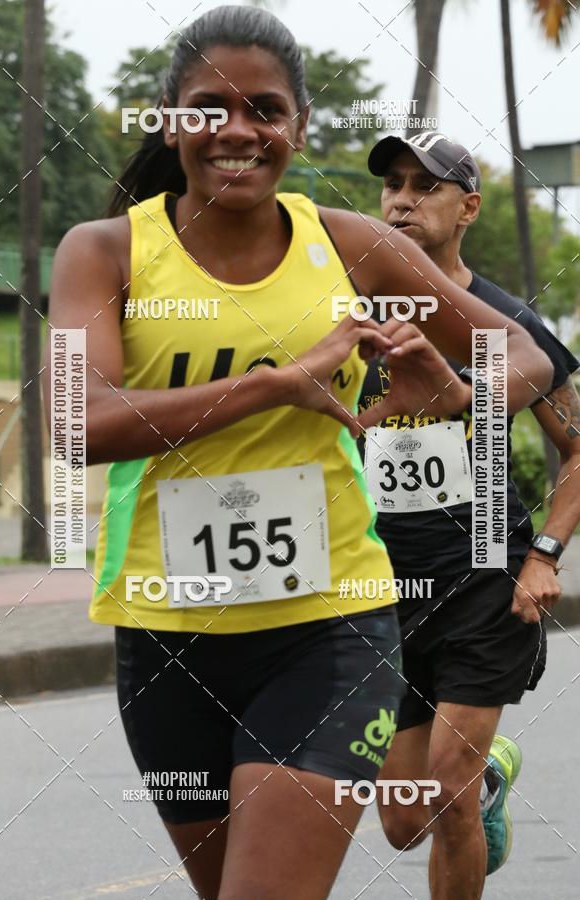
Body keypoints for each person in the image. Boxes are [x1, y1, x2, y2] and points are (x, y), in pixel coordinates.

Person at [43, 9, 553, 898]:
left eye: (266, 110)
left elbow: (527, 356)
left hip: (330, 628)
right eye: (210, 108)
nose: (238, 130)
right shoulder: (105, 251)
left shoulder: (351, 245)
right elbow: (76, 422)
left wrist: (457, 390)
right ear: (170, 120)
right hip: (166, 632)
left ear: (298, 127)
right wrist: (281, 383)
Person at [361, 131, 580, 899]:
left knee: (446, 794)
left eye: (426, 186)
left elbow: (579, 450)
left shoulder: (505, 322)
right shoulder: (349, 318)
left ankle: (471, 782)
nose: (402, 199)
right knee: (402, 821)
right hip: (382, 591)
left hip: (483, 579)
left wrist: (545, 553)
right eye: (393, 183)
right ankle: (492, 776)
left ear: (469, 209)